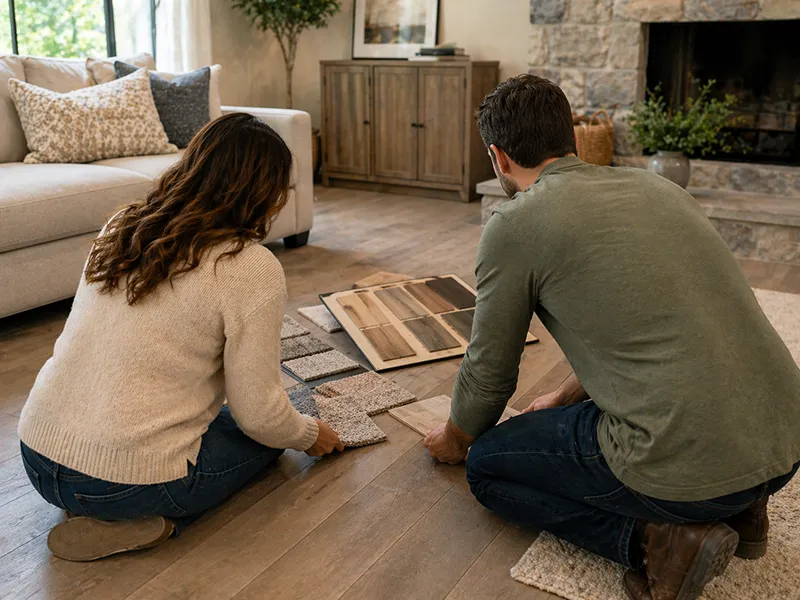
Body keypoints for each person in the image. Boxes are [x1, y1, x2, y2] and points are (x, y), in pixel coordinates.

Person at [424, 75, 800, 600]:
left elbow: (490, 374)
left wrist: (454, 439)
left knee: (488, 467)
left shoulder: (515, 225)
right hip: (785, 439)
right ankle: (744, 515)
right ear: (573, 140)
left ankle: (661, 541)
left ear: (498, 157)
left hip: (688, 464)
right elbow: (654, 328)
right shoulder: (660, 188)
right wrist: (561, 396)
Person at [18, 113, 344, 562]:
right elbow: (260, 416)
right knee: (270, 439)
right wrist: (309, 435)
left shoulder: (122, 225)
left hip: (37, 454)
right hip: (120, 481)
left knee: (225, 418)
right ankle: (146, 521)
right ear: (264, 193)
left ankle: (98, 505)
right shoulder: (249, 266)